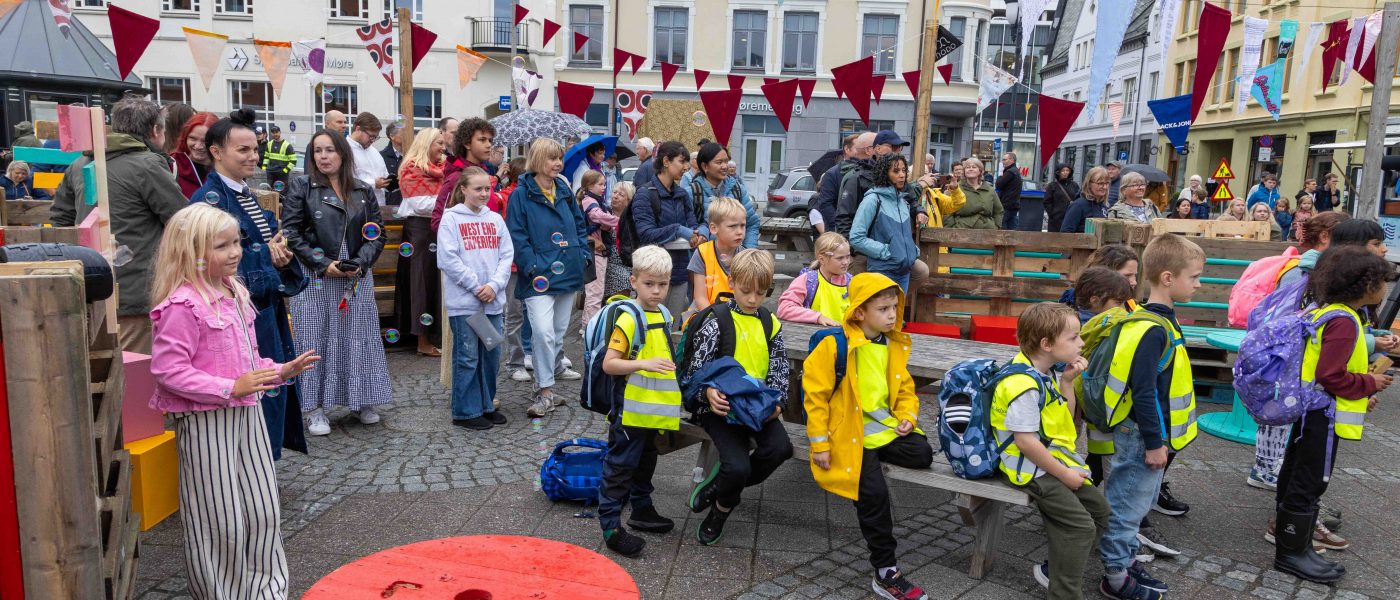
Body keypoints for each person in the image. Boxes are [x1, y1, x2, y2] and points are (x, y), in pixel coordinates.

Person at [147, 204, 320, 600]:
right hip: (206, 421)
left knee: (263, 509)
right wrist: (230, 387)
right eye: (222, 246)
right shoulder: (181, 305)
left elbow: (249, 359)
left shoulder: (235, 291)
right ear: (192, 252)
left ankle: (267, 592)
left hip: (248, 412)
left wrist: (280, 370)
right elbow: (168, 370)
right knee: (219, 517)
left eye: (236, 242)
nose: (235, 252)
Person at [803, 272, 934, 600]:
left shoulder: (892, 343)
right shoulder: (834, 344)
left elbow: (905, 390)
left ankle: (868, 462)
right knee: (874, 495)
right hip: (847, 433)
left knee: (922, 453)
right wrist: (820, 443)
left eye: (894, 308)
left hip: (881, 430)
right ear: (860, 311)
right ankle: (886, 571)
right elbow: (815, 398)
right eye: (883, 309)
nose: (892, 315)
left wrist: (907, 417)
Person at [192, 108, 310, 456]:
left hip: (262, 308)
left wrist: (281, 254)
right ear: (216, 152)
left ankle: (263, 464)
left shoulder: (244, 194)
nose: (253, 157)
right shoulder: (209, 202)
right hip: (237, 315)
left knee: (271, 389)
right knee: (256, 393)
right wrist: (267, 258)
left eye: (254, 149)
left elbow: (263, 246)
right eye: (242, 150)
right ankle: (254, 466)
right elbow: (211, 264)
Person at [1269, 247, 1392, 583]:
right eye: (1382, 282)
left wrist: (1361, 391)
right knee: (1310, 480)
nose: (1385, 289)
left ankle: (1297, 547)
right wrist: (1369, 383)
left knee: (1297, 473)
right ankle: (1291, 553)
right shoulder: (1345, 322)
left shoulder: (1331, 312)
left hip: (1312, 412)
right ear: (1365, 285)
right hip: (1322, 416)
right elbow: (1331, 375)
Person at [1097, 233, 1204, 600]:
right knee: (1127, 507)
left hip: (1148, 434)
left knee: (1136, 502)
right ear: (1168, 278)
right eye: (1194, 277)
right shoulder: (1152, 329)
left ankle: (1124, 561)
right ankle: (1115, 576)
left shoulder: (1155, 320)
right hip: (1144, 436)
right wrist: (1156, 444)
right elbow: (1144, 391)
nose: (1199, 284)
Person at [50, 96, 188, 353]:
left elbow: (61, 219)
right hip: (137, 291)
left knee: (102, 363)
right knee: (135, 366)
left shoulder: (80, 164)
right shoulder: (147, 165)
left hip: (90, 284)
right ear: (155, 131)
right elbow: (183, 220)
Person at [993, 302, 1109, 600]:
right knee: (1080, 527)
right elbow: (1025, 442)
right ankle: (1064, 592)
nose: (1081, 343)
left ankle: (1056, 569)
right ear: (1046, 344)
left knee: (1100, 512)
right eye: (1073, 337)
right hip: (1027, 467)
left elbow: (1065, 422)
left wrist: (1067, 382)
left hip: (1047, 460)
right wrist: (1065, 475)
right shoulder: (1023, 384)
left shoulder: (1042, 373)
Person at [283, 128, 392, 436]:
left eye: (329, 150)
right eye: (318, 150)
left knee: (358, 335)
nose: (323, 156)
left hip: (354, 271)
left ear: (343, 153)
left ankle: (361, 398)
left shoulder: (362, 189)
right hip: (315, 272)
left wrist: (360, 263)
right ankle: (314, 408)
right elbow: (291, 232)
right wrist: (322, 264)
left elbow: (377, 233)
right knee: (314, 337)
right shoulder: (302, 185)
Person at [682, 249, 793, 546]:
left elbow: (780, 367)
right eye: (746, 291)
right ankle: (721, 511)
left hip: (756, 406)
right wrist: (707, 393)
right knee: (738, 466)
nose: (753, 299)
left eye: (761, 293)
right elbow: (695, 372)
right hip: (720, 408)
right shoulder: (716, 320)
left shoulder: (769, 322)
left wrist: (779, 403)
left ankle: (719, 485)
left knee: (780, 449)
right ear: (731, 282)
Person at [596, 245, 682, 556]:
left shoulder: (664, 314)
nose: (656, 291)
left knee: (647, 460)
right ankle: (610, 527)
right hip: (629, 411)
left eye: (663, 284)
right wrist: (643, 364)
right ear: (633, 281)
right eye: (649, 284)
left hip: (653, 409)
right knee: (620, 466)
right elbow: (610, 364)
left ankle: (642, 510)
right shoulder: (629, 319)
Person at [506, 138, 591, 418]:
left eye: (559, 158)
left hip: (568, 270)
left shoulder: (563, 189)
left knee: (556, 334)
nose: (558, 163)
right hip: (538, 276)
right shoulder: (521, 194)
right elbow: (517, 234)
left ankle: (547, 387)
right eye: (552, 158)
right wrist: (532, 266)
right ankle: (543, 391)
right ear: (538, 160)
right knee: (542, 332)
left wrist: (583, 255)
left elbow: (579, 225)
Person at [437, 166, 512, 430]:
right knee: (468, 357)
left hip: (492, 301)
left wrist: (494, 285)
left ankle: (486, 404)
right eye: (478, 189)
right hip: (465, 303)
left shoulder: (495, 219)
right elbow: (448, 259)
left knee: (491, 355)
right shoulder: (451, 219)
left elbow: (506, 255)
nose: (483, 193)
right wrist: (476, 286)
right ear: (463, 189)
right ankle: (465, 411)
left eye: (487, 189)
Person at [394, 127, 448, 357]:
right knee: (420, 284)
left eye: (444, 143)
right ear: (426, 144)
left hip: (438, 231)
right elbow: (419, 205)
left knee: (435, 283)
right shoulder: (411, 168)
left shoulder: (443, 168)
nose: (443, 148)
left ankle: (436, 335)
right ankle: (422, 340)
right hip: (419, 232)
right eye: (439, 143)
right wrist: (448, 202)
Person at [632, 141, 697, 318]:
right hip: (652, 274)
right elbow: (646, 234)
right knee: (648, 324)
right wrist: (678, 230)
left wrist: (701, 233)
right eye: (682, 161)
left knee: (672, 325)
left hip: (679, 272)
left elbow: (693, 225)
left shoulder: (682, 194)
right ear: (666, 161)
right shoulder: (645, 193)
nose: (686, 167)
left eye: (687, 162)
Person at [850, 153, 925, 293]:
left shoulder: (903, 201)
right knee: (884, 307)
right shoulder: (872, 200)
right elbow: (856, 238)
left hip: (904, 271)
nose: (902, 175)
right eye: (896, 171)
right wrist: (886, 251)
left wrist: (911, 250)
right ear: (885, 174)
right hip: (882, 271)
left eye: (904, 170)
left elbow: (901, 236)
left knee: (898, 308)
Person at [686, 142, 759, 248]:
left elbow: (751, 223)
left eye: (726, 161)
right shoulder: (692, 193)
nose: (725, 166)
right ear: (705, 166)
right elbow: (689, 229)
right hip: (704, 255)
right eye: (719, 162)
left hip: (735, 256)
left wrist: (747, 251)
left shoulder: (737, 189)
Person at [432, 117, 498, 232]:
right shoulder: (456, 178)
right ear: (467, 143)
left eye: (490, 140)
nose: (488, 145)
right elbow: (438, 222)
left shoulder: (484, 173)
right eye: (482, 140)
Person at [778, 231, 853, 326]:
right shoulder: (807, 280)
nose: (846, 262)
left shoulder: (853, 282)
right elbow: (784, 308)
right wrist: (818, 317)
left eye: (848, 256)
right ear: (822, 259)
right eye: (840, 258)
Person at [689, 197, 747, 311]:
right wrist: (718, 318)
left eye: (742, 225)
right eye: (732, 226)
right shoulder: (702, 253)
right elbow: (700, 298)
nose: (740, 231)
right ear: (714, 228)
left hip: (735, 314)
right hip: (705, 314)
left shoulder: (745, 257)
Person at [579, 170, 619, 326]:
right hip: (595, 251)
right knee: (595, 293)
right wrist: (618, 220)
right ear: (589, 186)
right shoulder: (590, 202)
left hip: (597, 250)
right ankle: (590, 328)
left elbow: (600, 222)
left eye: (604, 184)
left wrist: (606, 226)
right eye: (600, 184)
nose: (604, 187)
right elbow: (597, 216)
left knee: (594, 292)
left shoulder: (593, 200)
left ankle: (586, 325)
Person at [812, 134, 864, 234]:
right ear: (847, 149)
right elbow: (825, 204)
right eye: (858, 147)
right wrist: (841, 225)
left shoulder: (865, 171)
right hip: (839, 231)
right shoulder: (832, 174)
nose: (861, 151)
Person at [833, 132, 878, 237]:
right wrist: (849, 243)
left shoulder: (879, 173)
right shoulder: (853, 177)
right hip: (861, 240)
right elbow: (843, 214)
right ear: (868, 150)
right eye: (877, 146)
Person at [602, 181, 637, 299]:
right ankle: (616, 307)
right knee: (624, 279)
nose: (615, 196)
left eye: (621, 195)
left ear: (628, 201)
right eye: (614, 192)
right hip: (608, 261)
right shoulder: (604, 213)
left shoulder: (632, 219)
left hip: (628, 261)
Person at [171, 112, 218, 198]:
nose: (198, 146)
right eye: (193, 138)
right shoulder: (171, 166)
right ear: (185, 137)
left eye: (205, 141)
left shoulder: (226, 170)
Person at [945, 158, 1002, 229]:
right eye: (967, 167)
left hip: (987, 229)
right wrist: (951, 228)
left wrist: (996, 226)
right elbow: (947, 211)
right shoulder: (955, 188)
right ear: (964, 171)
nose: (970, 169)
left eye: (974, 167)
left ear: (980, 171)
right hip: (962, 229)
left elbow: (998, 211)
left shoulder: (989, 189)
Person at [348, 113, 390, 207]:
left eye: (376, 137)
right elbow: (345, 181)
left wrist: (389, 181)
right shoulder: (344, 149)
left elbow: (384, 174)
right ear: (358, 129)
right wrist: (374, 183)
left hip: (379, 206)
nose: (373, 140)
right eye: (371, 136)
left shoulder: (374, 151)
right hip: (357, 207)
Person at [1060, 167, 1112, 233]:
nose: (1104, 187)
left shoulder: (1105, 206)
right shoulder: (1078, 206)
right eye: (1100, 183)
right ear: (1089, 184)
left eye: (1107, 183)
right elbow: (1065, 232)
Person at [260, 125, 295, 193]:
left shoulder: (287, 145)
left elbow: (293, 160)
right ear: (271, 133)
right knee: (270, 192)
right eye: (273, 132)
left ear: (280, 132)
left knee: (281, 193)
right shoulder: (269, 144)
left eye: (276, 132)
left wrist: (285, 170)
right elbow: (266, 157)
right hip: (271, 172)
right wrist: (264, 167)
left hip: (281, 174)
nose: (275, 134)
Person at [1045, 164, 1079, 232]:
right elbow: (1047, 201)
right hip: (1056, 219)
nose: (1065, 172)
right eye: (1063, 171)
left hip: (1070, 217)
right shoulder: (1052, 186)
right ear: (1058, 172)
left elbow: (1078, 199)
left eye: (1067, 170)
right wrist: (1052, 214)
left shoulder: (1074, 185)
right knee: (1054, 237)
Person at [381, 122, 406, 206]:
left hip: (408, 204)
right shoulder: (381, 156)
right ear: (392, 136)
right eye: (403, 133)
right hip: (388, 205)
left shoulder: (412, 156)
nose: (406, 136)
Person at [996, 152, 1023, 230]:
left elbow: (998, 184)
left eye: (1004, 160)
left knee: (1002, 228)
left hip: (1006, 205)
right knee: (1011, 228)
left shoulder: (1010, 172)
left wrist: (1000, 175)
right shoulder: (1015, 171)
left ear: (1011, 160)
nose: (1002, 162)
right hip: (1013, 205)